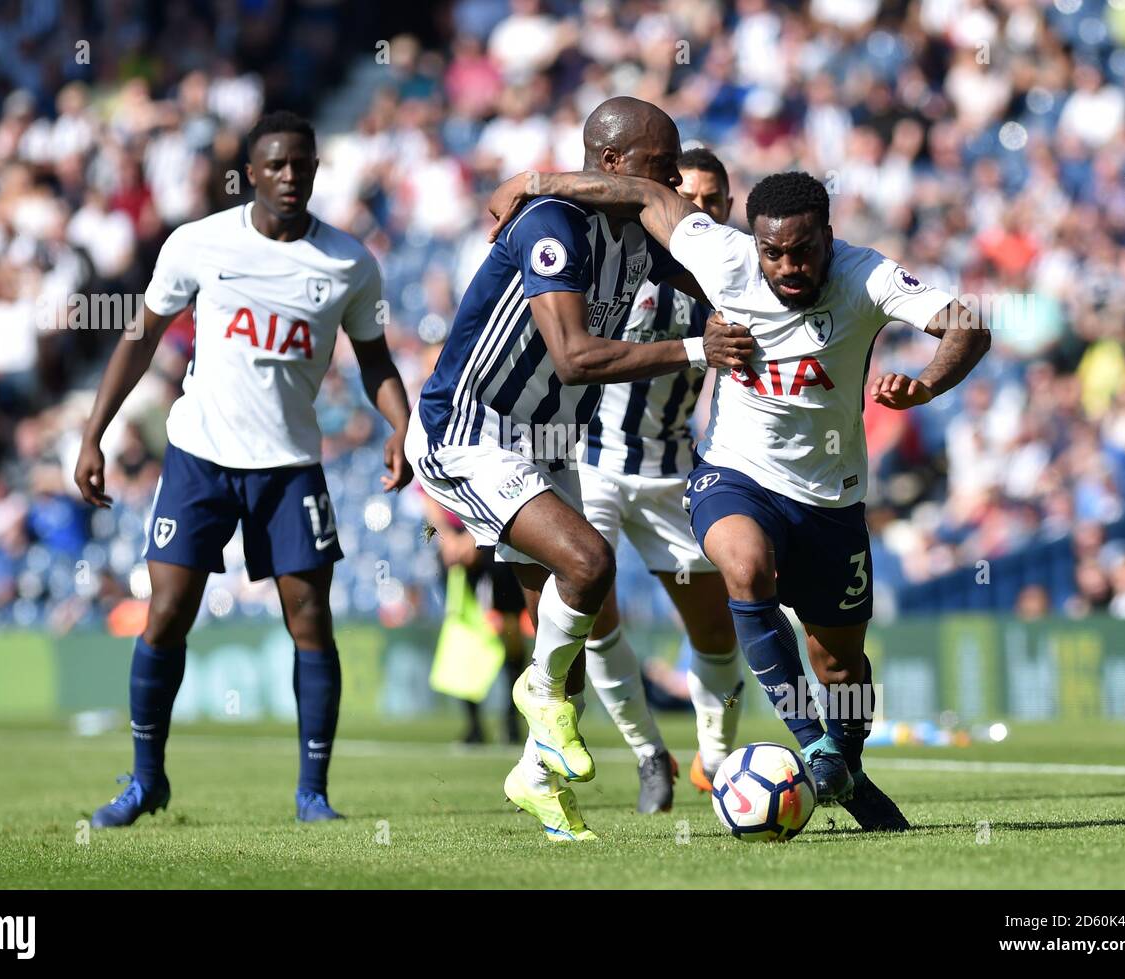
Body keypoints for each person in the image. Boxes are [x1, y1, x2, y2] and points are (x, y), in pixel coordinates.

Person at [487, 168, 991, 830]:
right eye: (773, 250)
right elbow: (647, 195)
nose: (787, 265)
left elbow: (968, 325)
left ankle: (845, 764)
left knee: (840, 662)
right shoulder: (722, 253)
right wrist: (539, 180)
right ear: (752, 241)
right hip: (733, 474)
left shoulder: (866, 276)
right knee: (746, 567)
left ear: (829, 239)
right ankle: (810, 742)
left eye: (803, 250)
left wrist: (925, 384)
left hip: (830, 498)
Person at [405, 96, 754, 841]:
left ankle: (535, 780)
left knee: (572, 652)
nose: (669, 191)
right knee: (590, 564)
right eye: (660, 172)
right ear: (614, 166)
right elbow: (575, 355)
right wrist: (700, 349)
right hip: (471, 429)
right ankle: (540, 695)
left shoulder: (640, 237)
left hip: (552, 441)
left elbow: (724, 287)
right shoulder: (550, 224)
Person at [75, 110, 412, 827]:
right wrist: (93, 432)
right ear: (252, 173)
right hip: (199, 457)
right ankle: (145, 779)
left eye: (303, 165)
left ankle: (313, 792)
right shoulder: (199, 243)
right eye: (277, 165)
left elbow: (374, 356)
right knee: (166, 611)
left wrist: (400, 422)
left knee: (311, 618)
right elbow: (141, 335)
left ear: (317, 171)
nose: (291, 176)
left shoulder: (349, 262)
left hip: (289, 466)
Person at [577, 147, 741, 813]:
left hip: (675, 470)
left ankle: (720, 760)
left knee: (717, 632)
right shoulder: (618, 259)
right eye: (690, 198)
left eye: (714, 202)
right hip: (591, 465)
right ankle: (649, 754)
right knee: (594, 618)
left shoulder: (735, 278)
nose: (700, 211)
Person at [421, 491, 527, 744]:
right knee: (464, 634)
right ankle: (474, 724)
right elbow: (428, 495)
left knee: (509, 633)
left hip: (495, 543)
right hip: (454, 551)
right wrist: (450, 541)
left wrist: (476, 538)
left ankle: (511, 721)